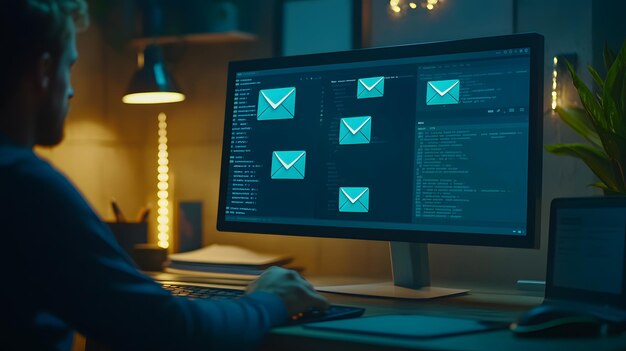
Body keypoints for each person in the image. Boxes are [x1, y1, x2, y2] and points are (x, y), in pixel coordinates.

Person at [0, 1, 328, 350]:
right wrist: (270, 301)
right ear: (44, 71)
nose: (71, 90)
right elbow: (170, 329)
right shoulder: (25, 187)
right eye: (71, 67)